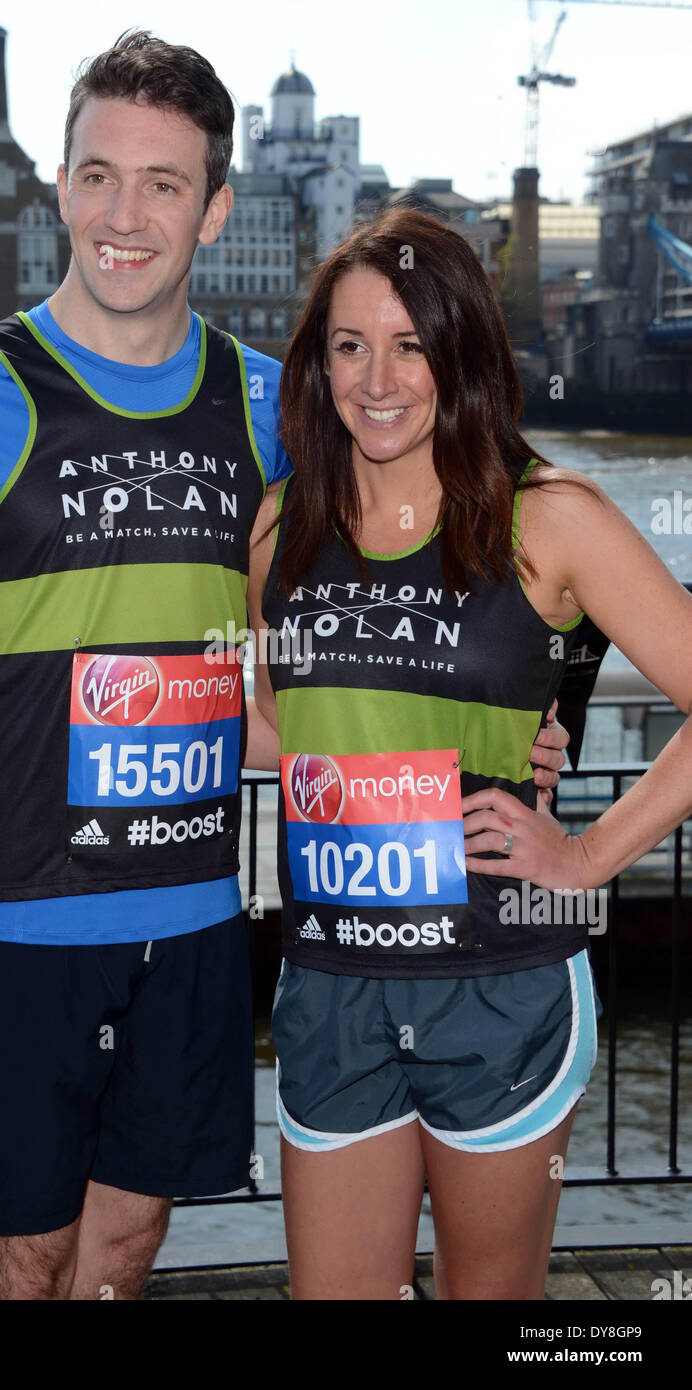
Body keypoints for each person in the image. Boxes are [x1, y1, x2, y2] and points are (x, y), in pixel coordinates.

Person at [0, 35, 567, 1301]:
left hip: (190, 915)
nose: (126, 217)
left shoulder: (272, 414)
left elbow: (382, 608)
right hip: (10, 912)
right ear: (65, 185)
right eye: (100, 176)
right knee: (22, 1255)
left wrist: (505, 731)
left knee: (125, 1251)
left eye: (164, 184)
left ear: (214, 206)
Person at [246, 206, 692, 1301]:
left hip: (501, 982)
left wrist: (586, 859)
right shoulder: (277, 525)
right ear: (318, 364)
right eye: (350, 345)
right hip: (334, 978)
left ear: (461, 353)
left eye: (411, 343)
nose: (377, 378)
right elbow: (276, 726)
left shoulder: (552, 517)